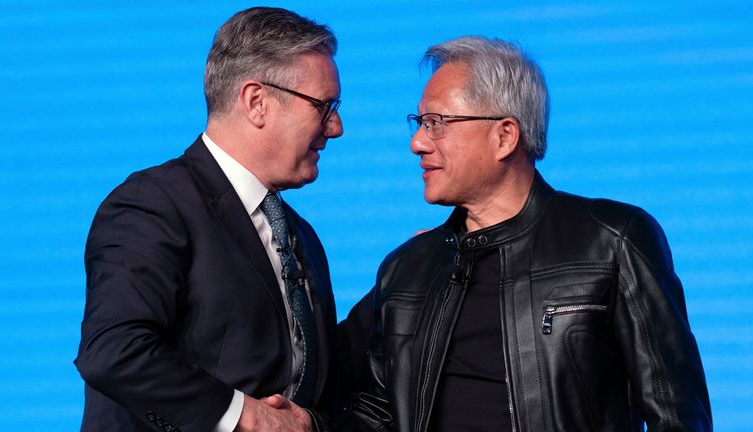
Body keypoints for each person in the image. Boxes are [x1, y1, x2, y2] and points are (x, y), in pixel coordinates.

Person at [341, 36, 712, 431]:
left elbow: (676, 415)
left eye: (436, 123)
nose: (417, 143)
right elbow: (374, 413)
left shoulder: (612, 240)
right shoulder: (405, 268)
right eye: (419, 124)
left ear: (504, 135)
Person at [75, 7, 345, 432]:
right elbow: (115, 350)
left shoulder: (301, 236)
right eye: (323, 106)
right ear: (257, 101)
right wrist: (245, 416)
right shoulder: (154, 204)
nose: (337, 127)